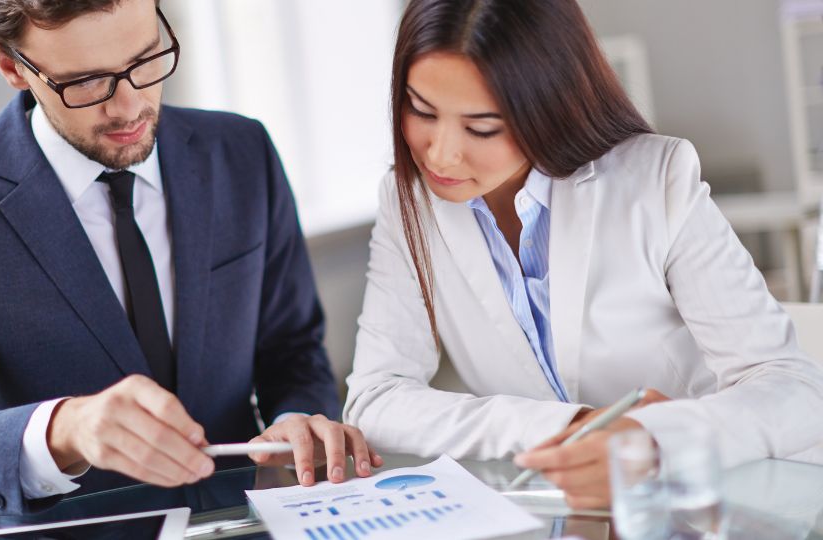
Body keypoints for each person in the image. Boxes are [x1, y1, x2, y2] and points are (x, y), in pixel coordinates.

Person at [0, 0, 381, 518]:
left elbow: (292, 352)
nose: (129, 107)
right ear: (11, 66)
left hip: (247, 523)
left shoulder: (242, 151)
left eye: (146, 58)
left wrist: (297, 419)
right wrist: (64, 429)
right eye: (87, 81)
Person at [343, 0, 823, 509]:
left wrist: (658, 440)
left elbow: (792, 390)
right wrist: (570, 426)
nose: (439, 154)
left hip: (724, 504)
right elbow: (376, 398)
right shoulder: (407, 202)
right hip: (562, 512)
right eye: (421, 110)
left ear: (547, 105)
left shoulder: (656, 179)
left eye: (481, 127)